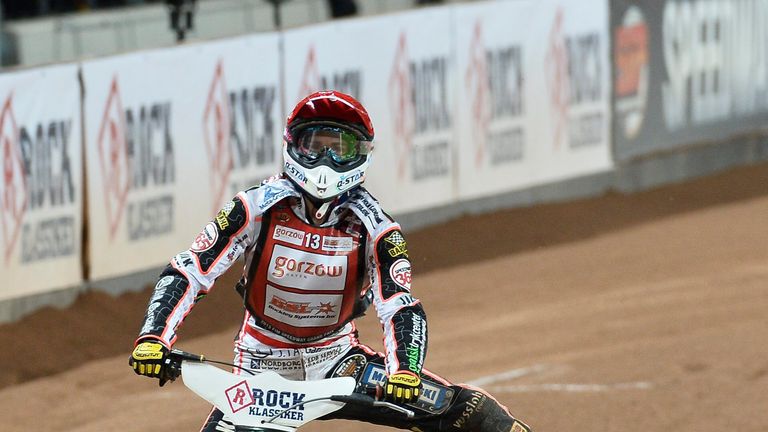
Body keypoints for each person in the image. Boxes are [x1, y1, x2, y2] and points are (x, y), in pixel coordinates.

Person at [129, 90, 532, 432]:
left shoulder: (375, 227)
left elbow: (399, 304)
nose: (326, 162)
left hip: (339, 363)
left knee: (471, 414)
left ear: (361, 155)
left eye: (340, 149)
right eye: (316, 145)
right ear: (293, 146)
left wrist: (404, 369)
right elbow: (191, 269)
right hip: (259, 370)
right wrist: (154, 338)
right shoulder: (254, 208)